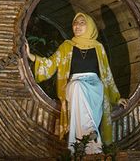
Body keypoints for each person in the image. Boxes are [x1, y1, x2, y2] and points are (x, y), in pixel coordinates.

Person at [25, 12, 128, 154]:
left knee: (80, 89)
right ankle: (91, 139)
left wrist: (116, 98)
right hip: (73, 86)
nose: (77, 26)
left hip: (94, 87)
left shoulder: (98, 48)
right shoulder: (66, 46)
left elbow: (107, 74)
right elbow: (51, 64)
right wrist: (31, 55)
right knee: (77, 86)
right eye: (75, 23)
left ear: (90, 26)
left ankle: (80, 148)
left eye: (82, 23)